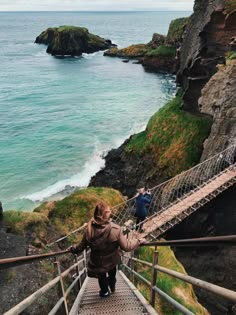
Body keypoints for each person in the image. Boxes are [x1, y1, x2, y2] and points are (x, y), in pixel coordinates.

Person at [69, 201, 145, 298]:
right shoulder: (116, 229)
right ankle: (112, 286)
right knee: (112, 273)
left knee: (101, 275)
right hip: (112, 260)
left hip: (97, 261)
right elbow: (126, 247)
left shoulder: (89, 230)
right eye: (109, 211)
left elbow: (80, 247)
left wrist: (72, 249)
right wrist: (138, 241)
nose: (111, 212)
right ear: (106, 214)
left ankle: (104, 292)